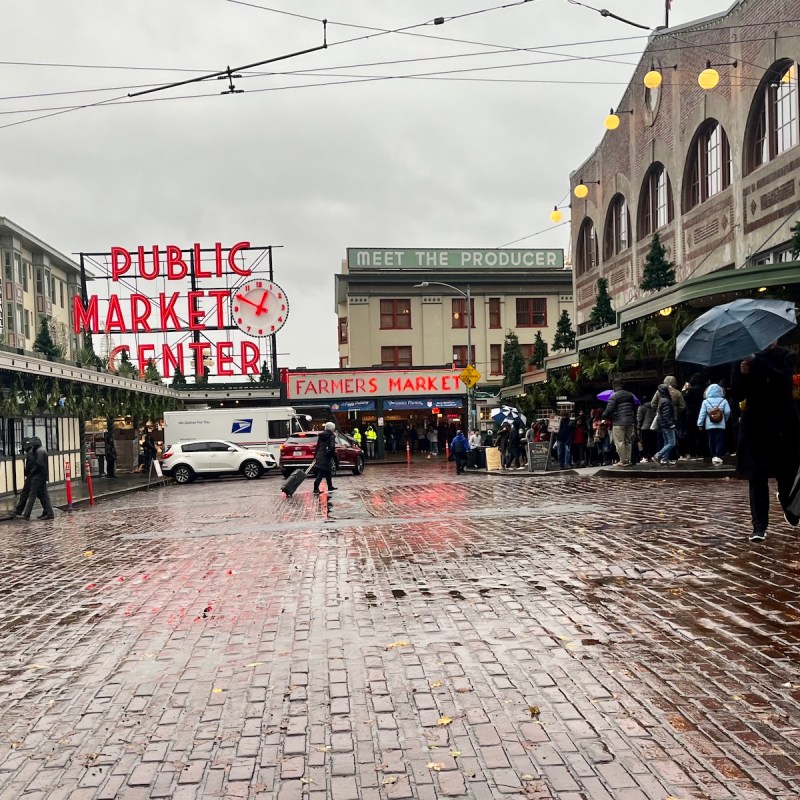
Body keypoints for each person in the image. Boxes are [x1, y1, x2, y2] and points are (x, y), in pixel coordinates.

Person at [734, 343, 800, 542]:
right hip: (756, 426)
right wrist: (742, 374)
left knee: (787, 475)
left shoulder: (787, 355)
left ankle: (791, 507)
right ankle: (759, 526)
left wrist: (757, 362)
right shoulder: (743, 358)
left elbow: (783, 382)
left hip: (783, 425)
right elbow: (737, 394)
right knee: (757, 477)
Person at [17, 436, 54, 520]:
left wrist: (31, 473)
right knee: (43, 495)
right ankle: (48, 512)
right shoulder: (41, 450)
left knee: (32, 495)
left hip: (37, 476)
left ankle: (27, 515)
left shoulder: (38, 451)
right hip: (42, 476)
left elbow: (38, 464)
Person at [651, 376, 686, 462]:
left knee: (665, 440)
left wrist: (658, 411)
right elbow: (682, 406)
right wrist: (675, 412)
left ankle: (664, 458)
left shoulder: (658, 392)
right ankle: (659, 456)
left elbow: (653, 403)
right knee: (672, 441)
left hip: (661, 419)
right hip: (670, 420)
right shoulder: (677, 393)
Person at [603, 380, 636, 466]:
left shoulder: (613, 396)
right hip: (630, 421)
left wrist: (603, 416)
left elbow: (609, 410)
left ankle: (622, 460)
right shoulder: (630, 395)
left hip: (619, 422)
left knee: (619, 441)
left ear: (614, 387)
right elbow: (634, 407)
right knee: (628, 441)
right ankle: (628, 459)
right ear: (622, 385)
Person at [697, 383, 731, 466]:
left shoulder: (705, 401)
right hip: (721, 424)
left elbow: (702, 414)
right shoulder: (724, 400)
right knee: (720, 440)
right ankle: (718, 455)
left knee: (711, 440)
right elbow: (727, 411)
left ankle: (713, 455)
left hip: (710, 424)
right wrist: (724, 419)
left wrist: (700, 424)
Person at [683, 374, 707, 460]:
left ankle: (693, 452)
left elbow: (684, 398)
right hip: (702, 413)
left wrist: (685, 389)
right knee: (702, 434)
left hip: (691, 414)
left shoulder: (691, 390)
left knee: (692, 434)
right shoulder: (704, 389)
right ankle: (703, 451)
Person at [653, 384, 678, 466]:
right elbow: (666, 414)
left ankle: (664, 459)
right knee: (672, 443)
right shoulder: (666, 401)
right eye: (670, 389)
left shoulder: (663, 400)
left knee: (666, 442)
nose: (672, 391)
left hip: (663, 424)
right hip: (667, 425)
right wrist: (671, 424)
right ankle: (658, 455)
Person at [312, 422, 338, 494]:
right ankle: (315, 488)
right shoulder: (331, 436)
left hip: (320, 455)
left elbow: (317, 447)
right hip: (326, 457)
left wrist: (315, 456)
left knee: (328, 471)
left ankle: (330, 486)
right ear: (332, 428)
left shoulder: (321, 436)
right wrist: (330, 454)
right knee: (322, 472)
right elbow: (332, 447)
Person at [13, 438, 35, 518]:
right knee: (42, 495)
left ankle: (19, 511)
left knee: (25, 493)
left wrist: (27, 473)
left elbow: (30, 465)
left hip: (31, 476)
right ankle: (48, 511)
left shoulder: (30, 453)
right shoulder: (32, 451)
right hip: (34, 476)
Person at [636, 397, 657, 462]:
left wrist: (638, 428)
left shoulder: (641, 407)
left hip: (644, 427)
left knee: (645, 443)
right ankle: (653, 455)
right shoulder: (654, 407)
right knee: (653, 442)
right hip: (653, 426)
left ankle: (646, 456)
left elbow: (639, 419)